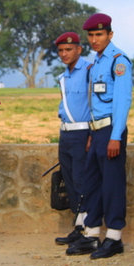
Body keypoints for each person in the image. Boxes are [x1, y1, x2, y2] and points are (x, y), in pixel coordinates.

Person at [66, 13, 132, 259]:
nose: (94, 40)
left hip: (111, 131)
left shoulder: (118, 61)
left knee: (112, 185)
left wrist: (115, 136)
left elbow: (123, 102)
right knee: (91, 184)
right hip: (97, 131)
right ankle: (92, 235)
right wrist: (93, 133)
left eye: (99, 35)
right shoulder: (96, 64)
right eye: (91, 35)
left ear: (110, 35)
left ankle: (114, 237)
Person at [53, 32, 92, 247]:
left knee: (81, 180)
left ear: (79, 49)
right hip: (66, 133)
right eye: (60, 50)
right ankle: (78, 226)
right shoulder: (64, 76)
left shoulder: (89, 71)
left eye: (69, 49)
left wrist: (92, 135)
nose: (64, 54)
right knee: (69, 181)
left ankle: (86, 229)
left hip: (82, 132)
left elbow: (96, 104)